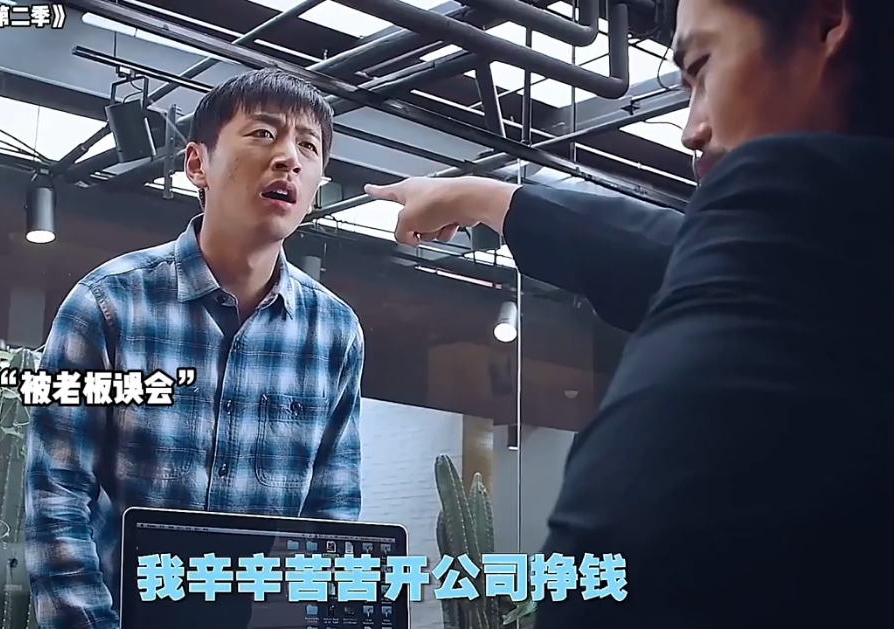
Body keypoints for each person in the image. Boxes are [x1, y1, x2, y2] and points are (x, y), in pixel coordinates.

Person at [366, 0, 893, 626]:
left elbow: (630, 563)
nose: (690, 130)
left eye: (703, 66)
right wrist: (480, 196)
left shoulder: (787, 231)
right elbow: (679, 257)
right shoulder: (840, 264)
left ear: (825, 23)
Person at [25, 69, 365, 629]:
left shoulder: (335, 332)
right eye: (263, 134)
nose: (289, 158)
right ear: (197, 164)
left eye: (308, 146)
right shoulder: (108, 304)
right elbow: (57, 496)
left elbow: (330, 519)